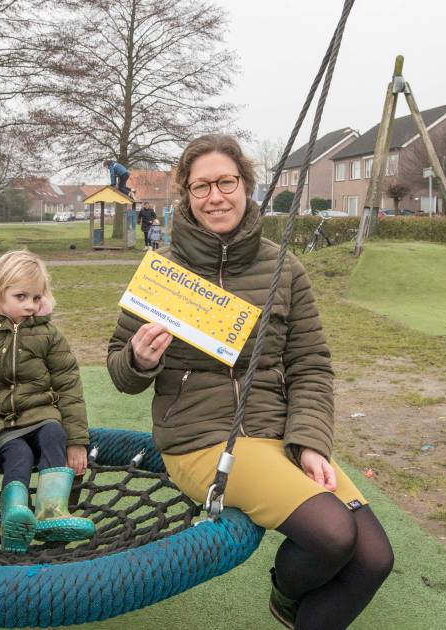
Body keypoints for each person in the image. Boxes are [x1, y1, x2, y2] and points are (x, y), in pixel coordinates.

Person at [105, 135, 392, 630]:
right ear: (187, 197)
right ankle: (285, 589)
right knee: (332, 534)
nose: (215, 196)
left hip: (278, 433)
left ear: (245, 186)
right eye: (201, 187)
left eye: (226, 183)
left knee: (373, 559)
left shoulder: (285, 268)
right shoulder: (166, 274)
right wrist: (139, 359)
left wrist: (309, 442)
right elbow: (119, 371)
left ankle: (290, 611)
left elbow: (311, 364)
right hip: (202, 439)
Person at [0, 250, 92, 553]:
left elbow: (68, 385)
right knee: (19, 454)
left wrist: (76, 442)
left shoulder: (48, 334)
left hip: (39, 416)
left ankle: (52, 511)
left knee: (54, 432)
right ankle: (14, 518)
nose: (30, 305)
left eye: (37, 298)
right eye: (21, 296)